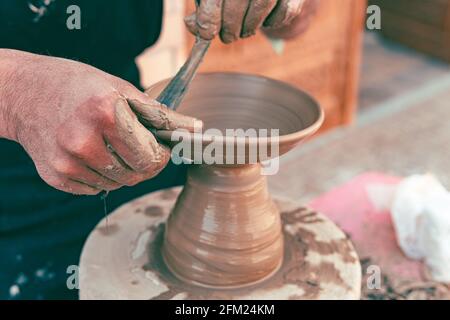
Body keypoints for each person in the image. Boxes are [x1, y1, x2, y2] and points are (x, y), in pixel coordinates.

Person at [0, 0, 315, 299]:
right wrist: (15, 92)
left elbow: (299, 18)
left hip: (132, 143)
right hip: (12, 198)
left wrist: (285, 9)